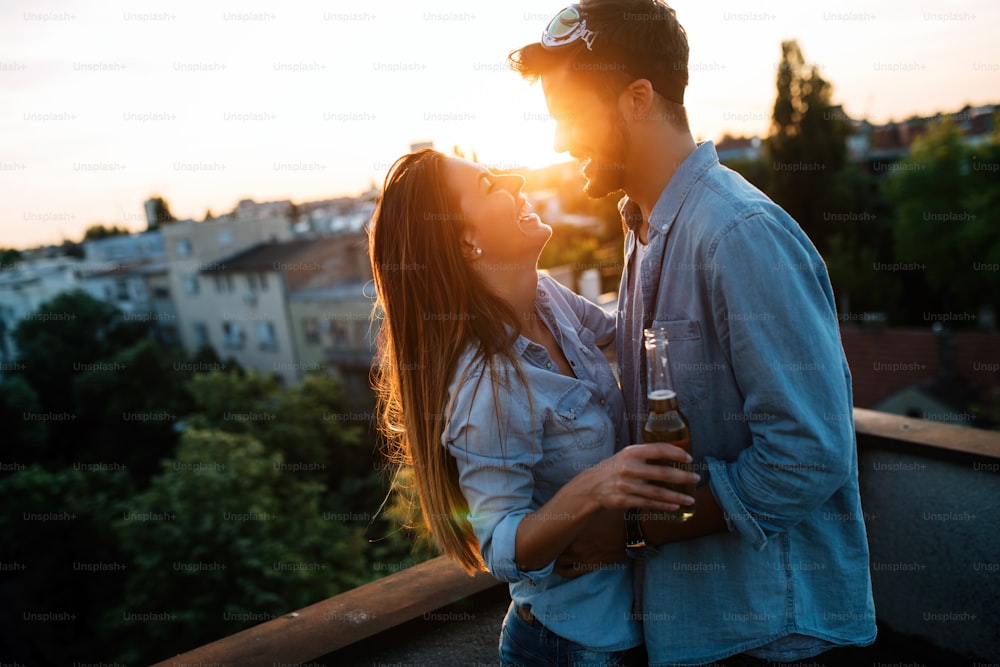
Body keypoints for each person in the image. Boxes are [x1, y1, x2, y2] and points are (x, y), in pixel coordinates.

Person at [508, 2, 878, 665]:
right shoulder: (642, 230)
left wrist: (631, 532)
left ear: (638, 97)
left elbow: (809, 453)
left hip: (775, 640)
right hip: (701, 636)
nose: (561, 141)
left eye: (570, 114)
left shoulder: (738, 233)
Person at [368, 148, 700, 666]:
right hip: (573, 648)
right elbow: (501, 547)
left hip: (633, 629)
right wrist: (594, 486)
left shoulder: (547, 297)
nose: (516, 177)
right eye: (488, 185)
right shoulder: (488, 384)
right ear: (466, 241)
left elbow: (635, 334)